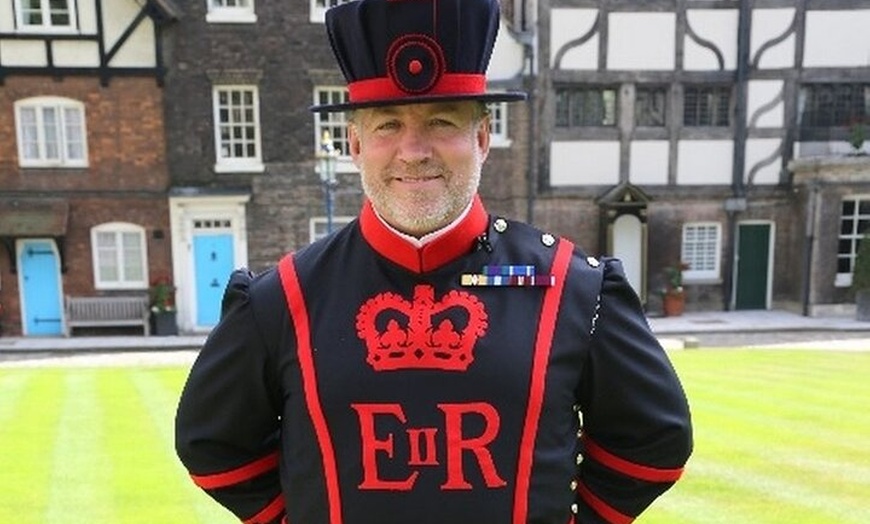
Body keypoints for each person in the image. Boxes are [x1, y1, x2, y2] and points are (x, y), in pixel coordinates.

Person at [174, 0, 692, 522]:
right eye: (387, 125)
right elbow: (211, 442)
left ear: (483, 138)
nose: (413, 149)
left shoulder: (571, 289)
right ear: (355, 143)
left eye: (442, 121)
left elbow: (656, 438)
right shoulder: (283, 298)